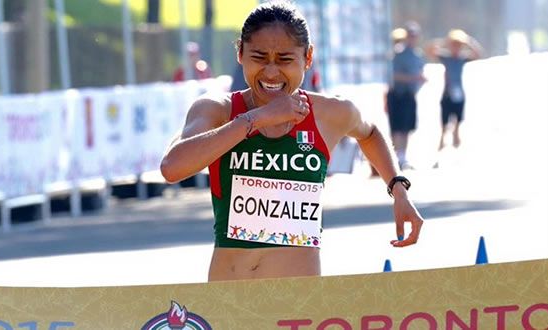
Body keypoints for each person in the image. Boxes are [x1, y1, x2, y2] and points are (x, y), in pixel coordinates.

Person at [160, 1, 424, 282]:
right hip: (230, 296)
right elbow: (172, 168)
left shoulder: (330, 113)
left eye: (285, 59)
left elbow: (369, 133)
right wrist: (255, 119)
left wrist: (398, 189)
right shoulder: (217, 109)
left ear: (307, 58)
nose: (271, 72)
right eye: (259, 58)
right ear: (240, 53)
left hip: (300, 300)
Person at [425, 29, 483, 150]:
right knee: (445, 122)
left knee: (458, 121)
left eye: (458, 45)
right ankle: (442, 143)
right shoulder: (446, 57)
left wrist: (468, 42)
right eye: (454, 45)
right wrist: (445, 42)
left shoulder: (462, 58)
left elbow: (478, 54)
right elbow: (429, 49)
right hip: (447, 93)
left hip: (459, 93)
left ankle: (456, 143)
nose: (455, 48)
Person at [386, 21, 426, 170]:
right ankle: (396, 157)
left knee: (406, 128)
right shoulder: (398, 54)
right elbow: (393, 76)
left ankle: (403, 157)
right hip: (398, 95)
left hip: (410, 95)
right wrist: (413, 78)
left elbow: (420, 73)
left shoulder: (418, 55)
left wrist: (419, 80)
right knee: (397, 128)